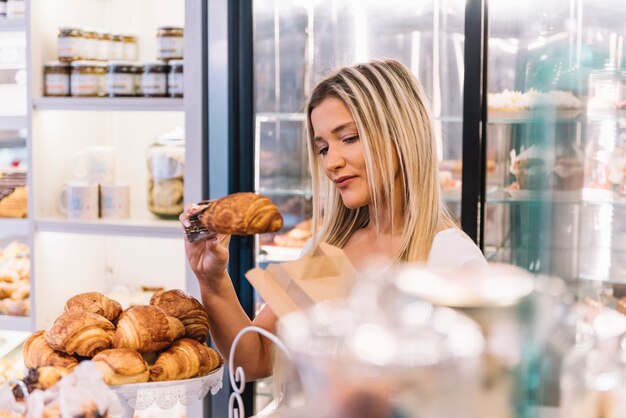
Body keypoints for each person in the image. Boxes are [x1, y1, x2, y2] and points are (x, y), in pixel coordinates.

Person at [180, 59, 486, 381]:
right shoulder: (326, 249)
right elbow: (254, 358)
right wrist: (212, 280)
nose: (331, 163)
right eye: (323, 148)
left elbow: (483, 393)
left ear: (402, 135)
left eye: (350, 138)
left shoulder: (452, 258)